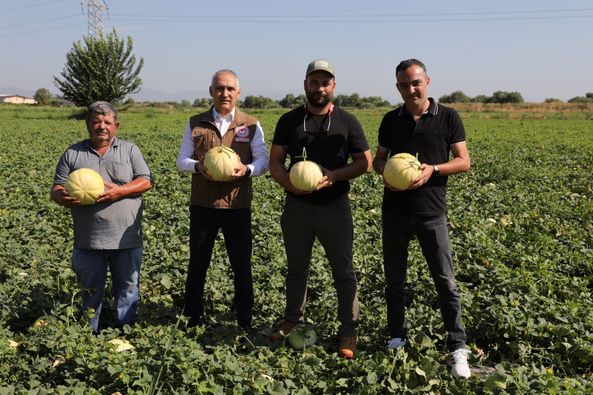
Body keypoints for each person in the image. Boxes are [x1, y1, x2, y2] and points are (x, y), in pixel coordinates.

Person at [372, 59, 472, 378]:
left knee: (445, 281)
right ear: (397, 87)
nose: (411, 89)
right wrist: (386, 175)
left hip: (432, 213)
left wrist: (434, 169)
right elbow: (379, 160)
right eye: (404, 84)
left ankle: (457, 347)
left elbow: (463, 161)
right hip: (395, 213)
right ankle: (397, 338)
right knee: (395, 281)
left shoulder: (448, 117)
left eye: (415, 82)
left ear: (427, 81)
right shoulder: (390, 120)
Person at [268, 59, 372, 359]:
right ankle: (292, 321)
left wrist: (335, 176)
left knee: (343, 271)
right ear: (305, 85)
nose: (319, 88)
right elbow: (275, 160)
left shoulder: (348, 121)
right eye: (314, 82)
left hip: (334, 208)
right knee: (296, 270)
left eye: (325, 82)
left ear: (333, 87)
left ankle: (348, 331)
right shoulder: (289, 120)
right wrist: (287, 183)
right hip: (297, 207)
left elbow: (364, 161)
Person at [176, 69, 268, 333]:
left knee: (241, 264)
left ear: (238, 92)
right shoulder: (196, 122)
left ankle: (244, 318)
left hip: (237, 206)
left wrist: (247, 170)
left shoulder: (251, 124)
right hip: (203, 206)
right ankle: (192, 316)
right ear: (211, 92)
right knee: (198, 264)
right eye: (219, 88)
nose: (224, 93)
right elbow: (181, 160)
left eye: (230, 89)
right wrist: (198, 167)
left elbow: (262, 160)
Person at [50, 101, 153, 333]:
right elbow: (56, 187)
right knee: (89, 291)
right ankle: (89, 338)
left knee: (127, 289)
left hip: (126, 240)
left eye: (107, 122)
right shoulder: (73, 153)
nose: (102, 126)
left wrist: (119, 191)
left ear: (116, 125)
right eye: (96, 121)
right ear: (88, 124)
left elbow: (146, 180)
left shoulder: (129, 150)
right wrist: (61, 197)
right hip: (88, 241)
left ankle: (124, 334)